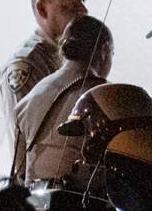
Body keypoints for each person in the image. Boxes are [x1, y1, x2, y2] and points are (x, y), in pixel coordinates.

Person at [0, 0, 88, 180]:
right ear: (42, 9)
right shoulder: (26, 66)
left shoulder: (74, 55)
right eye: (71, 6)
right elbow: (26, 145)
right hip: (41, 191)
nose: (84, 11)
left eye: (84, 1)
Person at [16, 14, 113, 183]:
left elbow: (20, 171)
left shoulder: (29, 99)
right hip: (83, 206)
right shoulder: (109, 97)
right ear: (104, 51)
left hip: (35, 204)